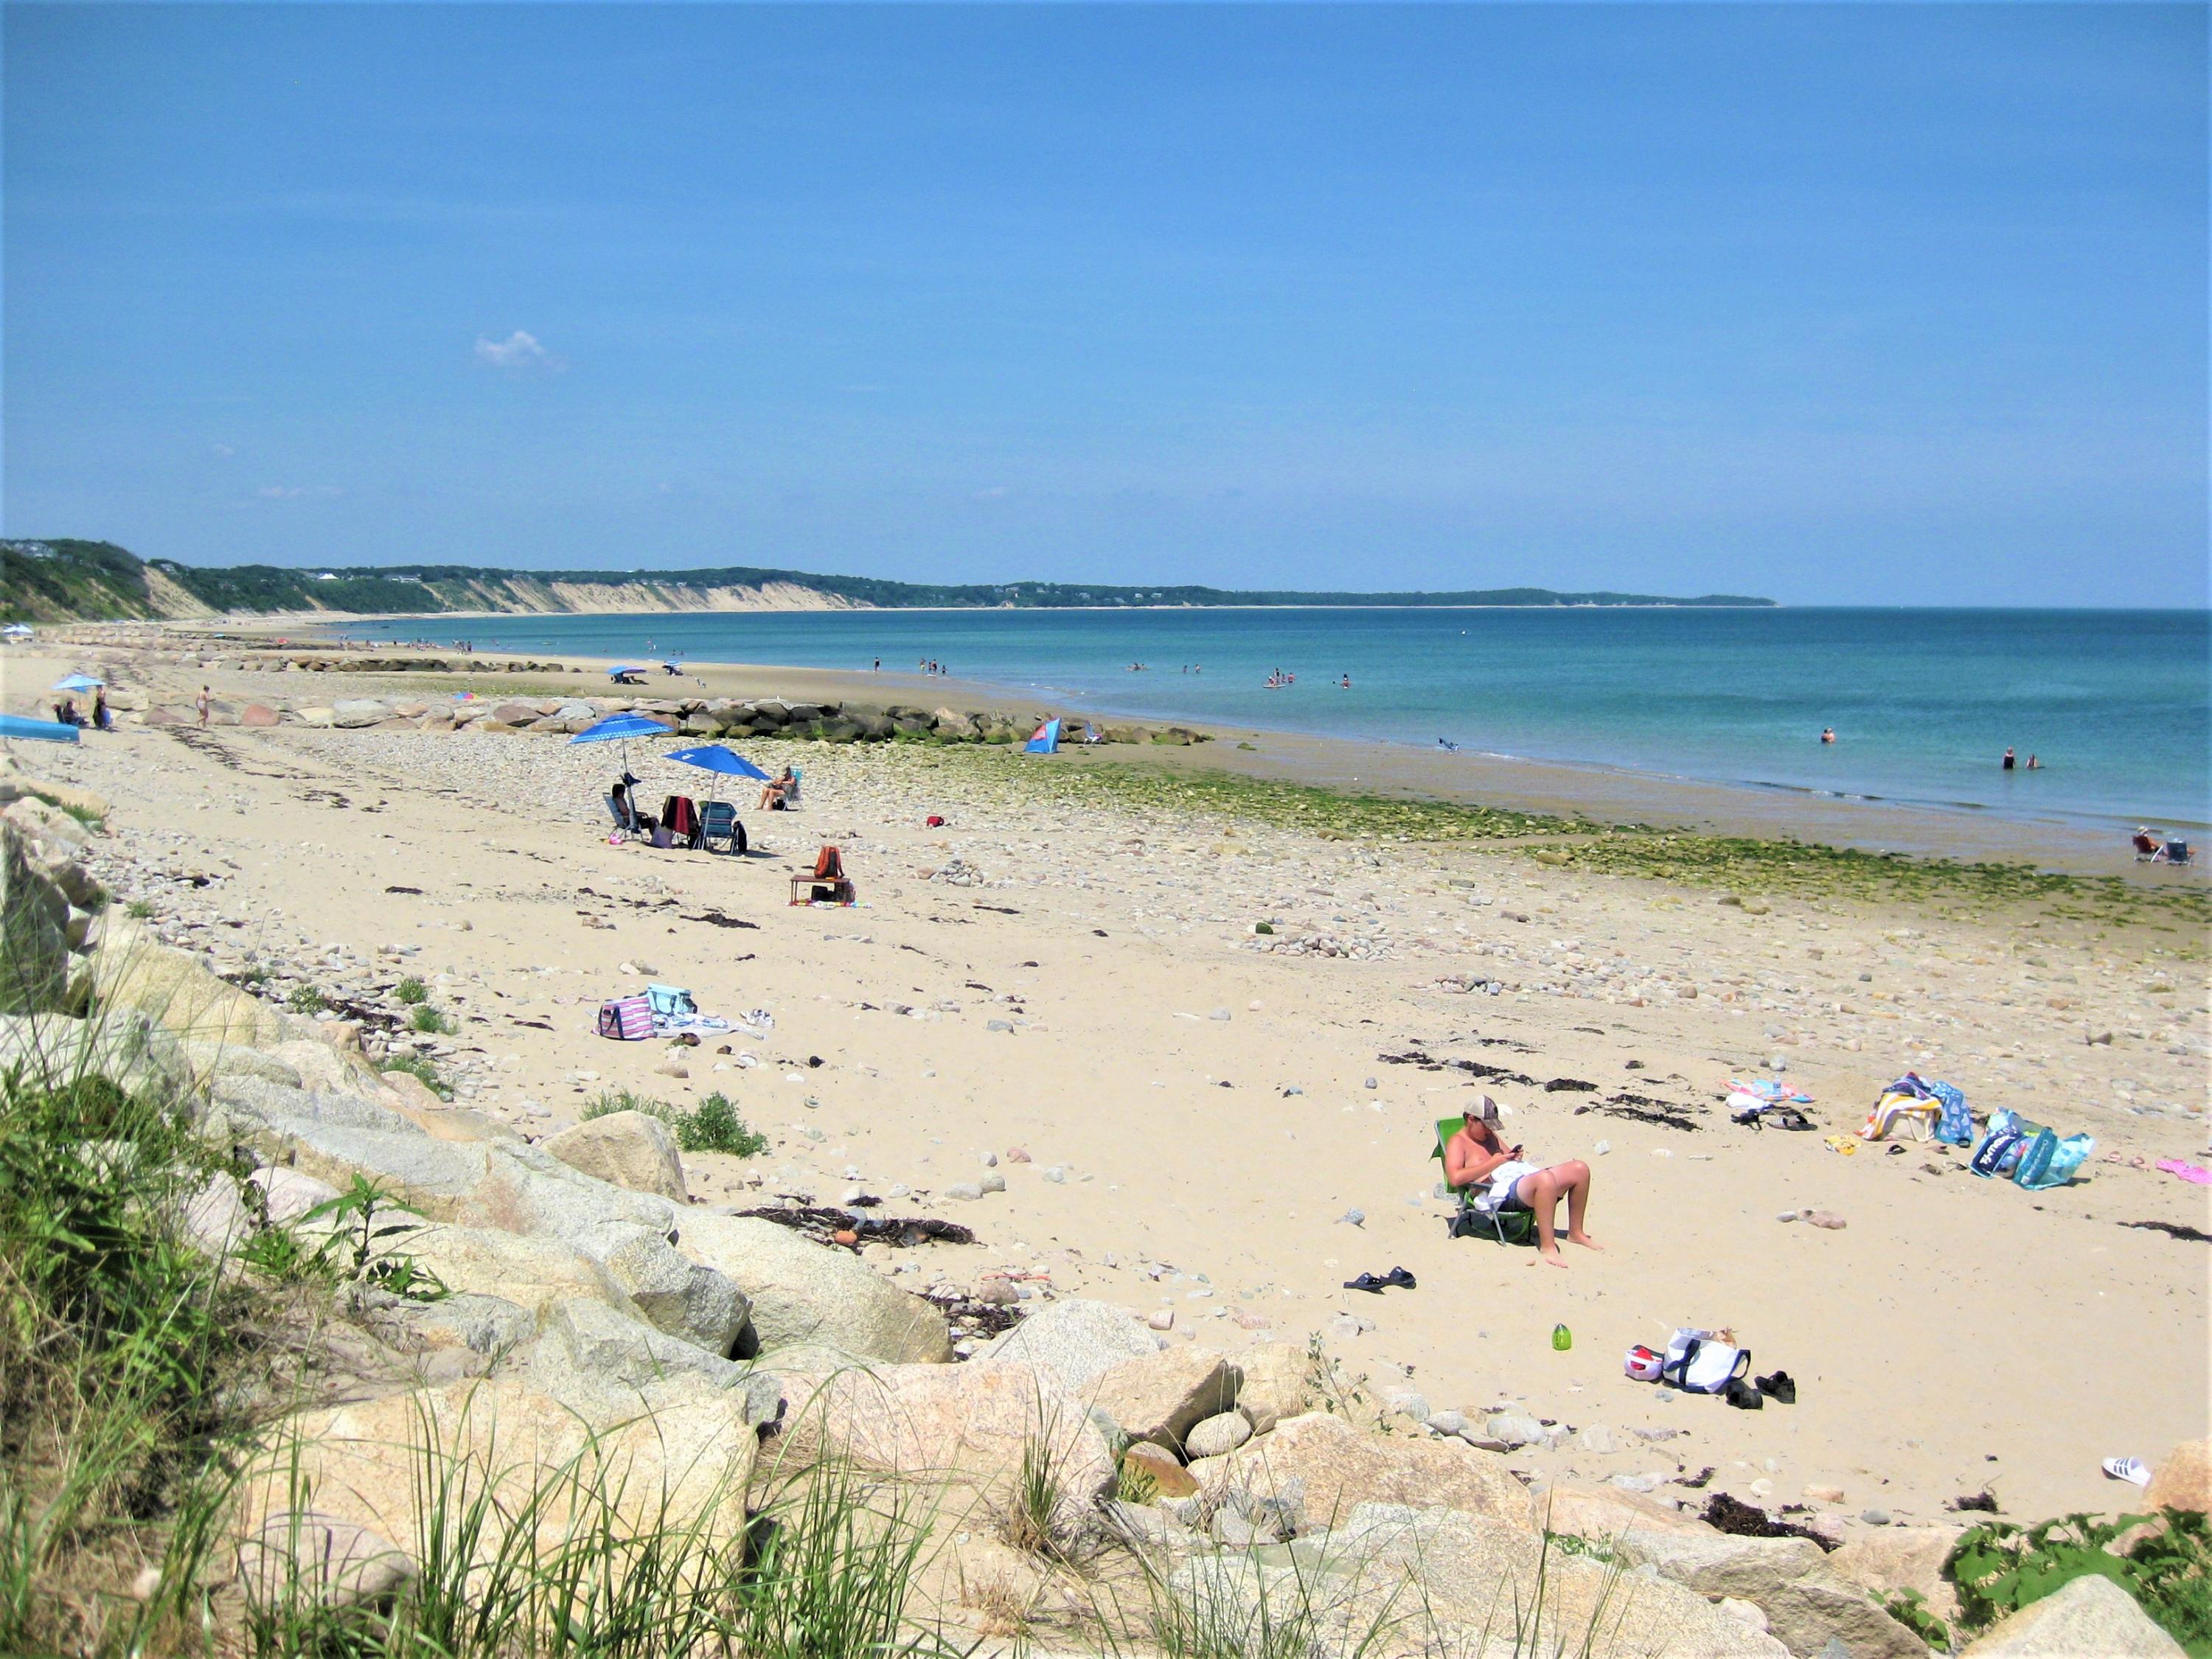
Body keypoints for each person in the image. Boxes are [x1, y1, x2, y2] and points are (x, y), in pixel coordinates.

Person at [1444, 1096, 1600, 1268]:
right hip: (1496, 1194)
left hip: (1517, 1181)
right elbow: (1455, 1177)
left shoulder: (1490, 1136)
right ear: (1471, 1119)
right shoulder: (1458, 1142)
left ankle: (1576, 1233)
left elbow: (1505, 1158)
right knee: (1544, 1179)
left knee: (1579, 1169)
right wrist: (1493, 1163)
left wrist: (1513, 1157)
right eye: (1486, 1126)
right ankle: (1548, 1246)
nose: (1489, 1130)